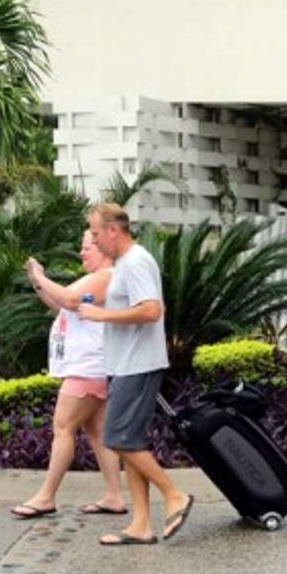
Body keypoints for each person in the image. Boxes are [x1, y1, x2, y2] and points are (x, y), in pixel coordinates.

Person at [79, 203, 195, 543]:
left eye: (96, 234)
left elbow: (152, 310)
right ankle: (141, 525)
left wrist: (102, 315)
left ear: (113, 230)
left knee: (117, 438)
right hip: (125, 365)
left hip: (138, 366)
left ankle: (174, 494)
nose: (94, 242)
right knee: (130, 441)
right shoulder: (125, 264)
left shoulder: (136, 261)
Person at [10, 232, 126, 519]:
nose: (81, 253)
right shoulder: (92, 278)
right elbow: (59, 302)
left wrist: (42, 276)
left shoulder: (107, 276)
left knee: (63, 428)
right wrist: (37, 281)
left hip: (86, 368)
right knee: (97, 432)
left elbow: (71, 300)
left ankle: (46, 496)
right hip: (90, 368)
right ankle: (114, 496)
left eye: (87, 248)